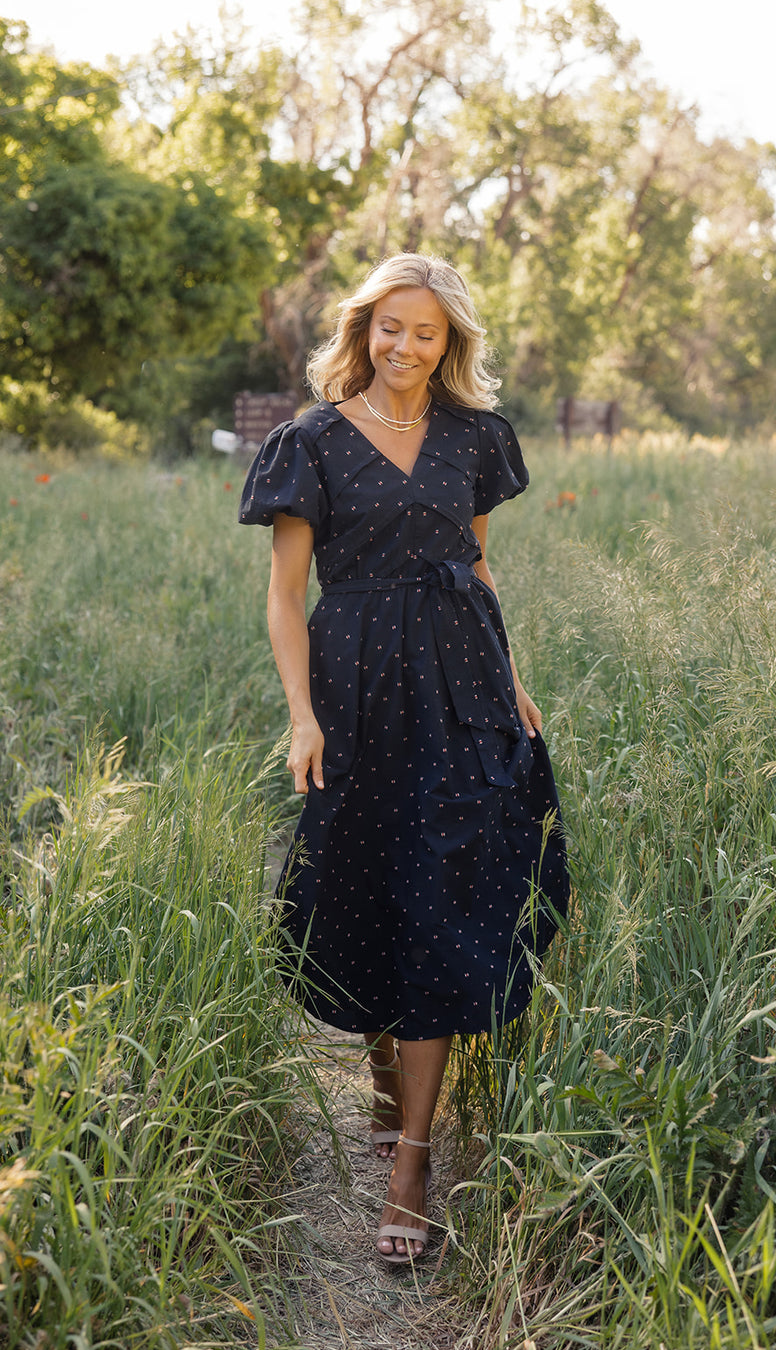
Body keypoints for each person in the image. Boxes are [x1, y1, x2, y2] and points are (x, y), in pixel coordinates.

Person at [238, 252, 570, 1264]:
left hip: (461, 685)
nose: (405, 346)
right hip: (354, 688)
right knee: (370, 888)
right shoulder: (310, 444)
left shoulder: (475, 436)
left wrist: (508, 673)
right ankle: (388, 1085)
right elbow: (286, 596)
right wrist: (302, 715)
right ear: (363, 329)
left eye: (425, 331)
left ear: (449, 341)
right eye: (390, 326)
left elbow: (475, 561)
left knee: (441, 895)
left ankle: (411, 1163)